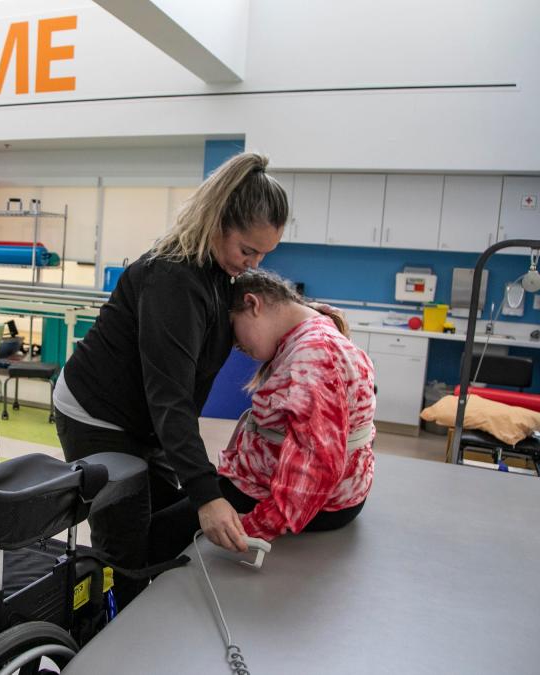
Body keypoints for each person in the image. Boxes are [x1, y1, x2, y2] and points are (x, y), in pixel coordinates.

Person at [52, 152, 289, 606]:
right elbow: (170, 399)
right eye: (248, 250)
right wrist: (207, 497)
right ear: (218, 222)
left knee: (162, 521)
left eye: (264, 254)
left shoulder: (220, 270)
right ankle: (101, 638)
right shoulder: (173, 280)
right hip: (98, 413)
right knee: (125, 540)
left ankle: (142, 612)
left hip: (143, 417)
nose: (254, 263)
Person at [150, 268, 376, 557]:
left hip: (301, 500)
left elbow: (317, 466)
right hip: (279, 487)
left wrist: (252, 528)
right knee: (175, 506)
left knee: (155, 535)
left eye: (233, 330)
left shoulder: (315, 355)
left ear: (253, 304)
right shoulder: (311, 330)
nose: (235, 346)